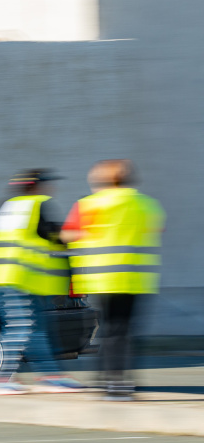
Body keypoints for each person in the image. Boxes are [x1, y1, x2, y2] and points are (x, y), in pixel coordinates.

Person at [61, 159, 165, 401]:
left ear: (102, 180)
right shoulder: (147, 204)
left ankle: (110, 383)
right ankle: (123, 382)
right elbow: (156, 228)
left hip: (103, 278)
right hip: (137, 279)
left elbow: (68, 234)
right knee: (127, 331)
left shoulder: (89, 205)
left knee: (109, 330)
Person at [0, 169, 85, 395]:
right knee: (21, 327)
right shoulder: (38, 204)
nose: (51, 188)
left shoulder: (6, 206)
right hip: (19, 277)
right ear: (38, 185)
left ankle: (51, 376)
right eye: (48, 183)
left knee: (36, 329)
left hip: (4, 277)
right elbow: (53, 236)